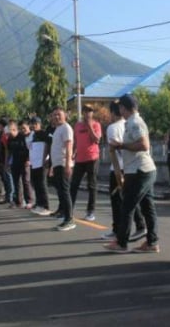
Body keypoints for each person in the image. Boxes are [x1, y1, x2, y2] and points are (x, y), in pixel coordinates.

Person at [104, 93, 159, 253]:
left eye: (120, 106)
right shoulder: (131, 122)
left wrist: (121, 146)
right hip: (142, 170)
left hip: (140, 171)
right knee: (147, 207)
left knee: (127, 206)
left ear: (124, 107)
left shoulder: (135, 122)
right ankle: (152, 242)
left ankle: (122, 243)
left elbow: (144, 144)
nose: (119, 109)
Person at [102, 100, 146, 241]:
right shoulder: (128, 124)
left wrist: (117, 173)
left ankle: (118, 231)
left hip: (118, 169)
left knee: (117, 201)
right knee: (131, 200)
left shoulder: (112, 128)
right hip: (131, 167)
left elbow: (114, 152)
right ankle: (140, 226)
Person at [70, 104, 102, 221]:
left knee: (91, 185)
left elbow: (96, 140)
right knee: (74, 184)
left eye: (90, 111)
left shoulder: (96, 125)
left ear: (92, 113)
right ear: (82, 112)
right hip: (79, 159)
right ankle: (69, 209)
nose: (87, 113)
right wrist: (73, 153)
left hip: (92, 158)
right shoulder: (77, 126)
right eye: (85, 111)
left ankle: (90, 211)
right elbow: (75, 141)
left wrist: (89, 126)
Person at [49, 107, 75, 231]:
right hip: (57, 165)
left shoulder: (66, 128)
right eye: (54, 115)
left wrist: (68, 165)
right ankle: (65, 215)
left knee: (65, 192)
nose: (56, 117)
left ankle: (69, 219)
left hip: (64, 164)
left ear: (65, 115)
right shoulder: (58, 129)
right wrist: (53, 167)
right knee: (61, 191)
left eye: (59, 114)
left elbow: (69, 147)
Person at [7, 120, 34, 208]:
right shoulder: (10, 139)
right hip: (15, 162)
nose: (9, 133)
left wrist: (28, 160)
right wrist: (7, 163)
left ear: (15, 129)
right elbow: (9, 151)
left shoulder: (22, 137)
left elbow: (29, 149)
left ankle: (29, 201)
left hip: (24, 162)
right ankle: (19, 201)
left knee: (26, 181)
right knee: (16, 182)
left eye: (10, 130)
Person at [29, 116, 52, 216]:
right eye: (32, 123)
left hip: (42, 163)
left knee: (42, 184)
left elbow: (48, 145)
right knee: (35, 183)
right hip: (34, 163)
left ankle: (46, 206)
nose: (33, 125)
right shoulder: (33, 135)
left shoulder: (44, 133)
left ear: (40, 124)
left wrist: (46, 159)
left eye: (35, 124)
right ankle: (39, 204)